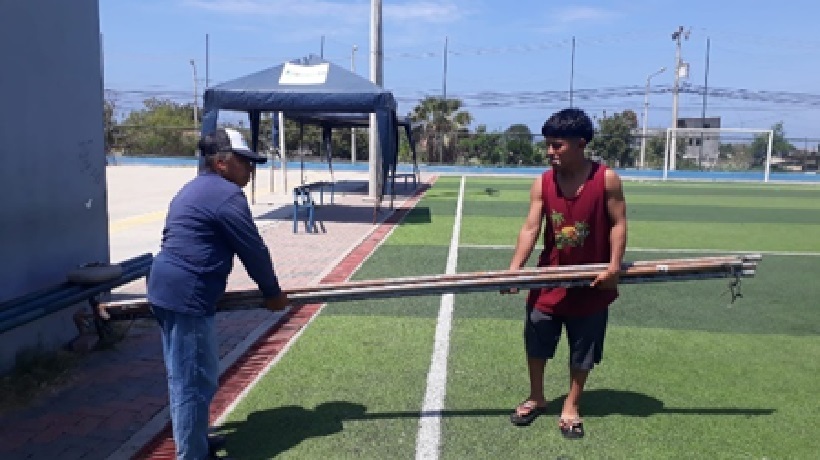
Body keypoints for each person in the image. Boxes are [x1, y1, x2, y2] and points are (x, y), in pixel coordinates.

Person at [147, 128, 290, 459]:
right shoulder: (226, 196)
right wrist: (272, 293)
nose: (250, 169)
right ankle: (192, 455)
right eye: (244, 162)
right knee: (193, 381)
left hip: (168, 286)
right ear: (222, 163)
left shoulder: (195, 187)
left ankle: (195, 442)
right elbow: (252, 249)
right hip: (187, 295)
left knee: (189, 376)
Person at [502, 108, 627, 439]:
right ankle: (536, 396)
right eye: (548, 144)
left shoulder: (606, 179)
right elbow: (531, 228)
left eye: (557, 145)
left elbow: (618, 224)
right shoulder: (543, 182)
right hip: (549, 279)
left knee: (583, 349)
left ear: (580, 143)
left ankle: (571, 405)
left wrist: (614, 267)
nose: (550, 152)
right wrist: (515, 270)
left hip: (593, 281)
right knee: (536, 336)